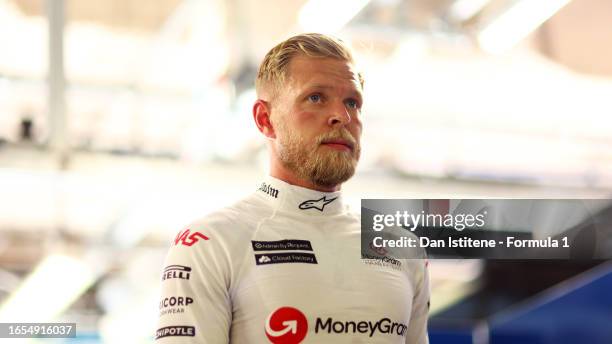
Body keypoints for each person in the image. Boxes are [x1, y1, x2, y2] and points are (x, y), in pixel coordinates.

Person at [156, 33, 430, 343]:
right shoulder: (210, 242)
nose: (342, 116)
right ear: (265, 119)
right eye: (316, 97)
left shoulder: (404, 249)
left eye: (352, 102)